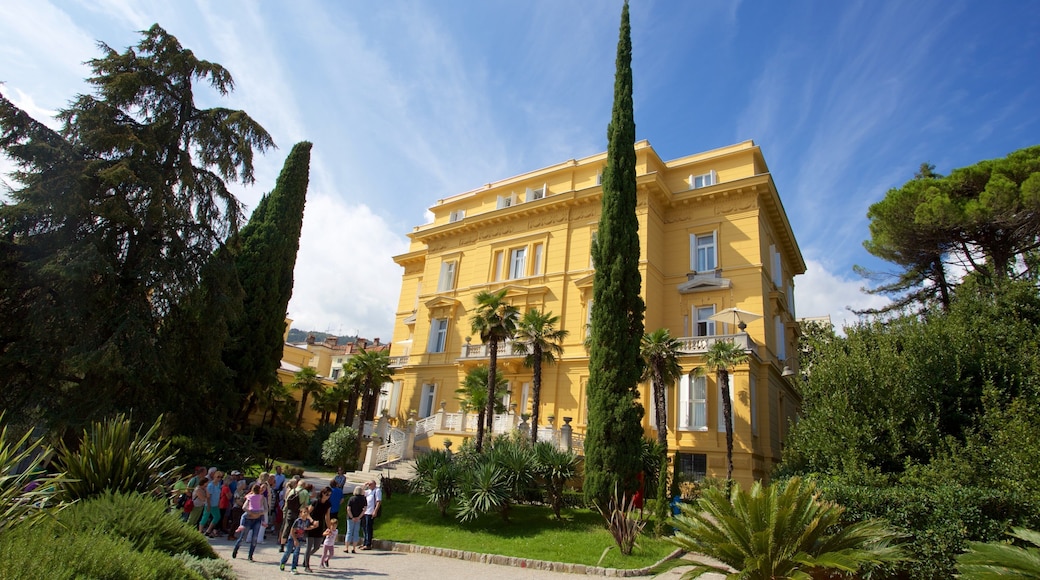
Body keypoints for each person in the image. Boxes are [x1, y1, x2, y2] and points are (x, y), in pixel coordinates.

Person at [280, 504, 316, 575]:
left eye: (307, 512)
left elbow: (306, 528)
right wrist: (295, 540)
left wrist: (313, 527)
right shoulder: (297, 521)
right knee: (288, 552)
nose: (306, 514)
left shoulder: (307, 521)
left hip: (299, 539)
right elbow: (292, 531)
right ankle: (283, 562)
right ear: (300, 513)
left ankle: (293, 567)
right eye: (304, 512)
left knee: (296, 553)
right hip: (292, 538)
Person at [232, 484, 266, 561]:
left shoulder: (251, 497)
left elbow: (244, 507)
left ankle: (248, 554)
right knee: (252, 538)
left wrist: (250, 512)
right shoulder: (261, 497)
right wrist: (258, 513)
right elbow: (262, 508)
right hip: (256, 517)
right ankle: (247, 554)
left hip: (252, 517)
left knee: (245, 537)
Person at [304, 486, 333, 572]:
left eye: (329, 495)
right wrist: (312, 521)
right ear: (322, 493)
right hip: (312, 524)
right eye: (326, 494)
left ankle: (306, 558)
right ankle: (307, 565)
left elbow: (327, 517)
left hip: (320, 525)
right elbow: (307, 513)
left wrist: (329, 528)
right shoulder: (315, 502)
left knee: (317, 546)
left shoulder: (328, 504)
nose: (327, 496)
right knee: (309, 546)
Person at [279, 479, 301, 552]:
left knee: (286, 527)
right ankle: (289, 546)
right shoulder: (293, 491)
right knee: (291, 528)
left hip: (288, 510)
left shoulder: (289, 490)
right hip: (292, 510)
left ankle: (282, 545)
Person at [200, 471, 223, 537]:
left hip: (215, 504)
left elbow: (218, 495)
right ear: (214, 477)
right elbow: (208, 496)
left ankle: (208, 530)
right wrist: (209, 505)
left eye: (221, 477)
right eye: (218, 477)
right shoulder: (210, 485)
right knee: (205, 517)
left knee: (217, 517)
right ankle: (200, 530)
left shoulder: (218, 484)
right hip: (210, 504)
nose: (219, 478)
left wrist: (218, 503)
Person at [360, 479, 382, 550]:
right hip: (365, 511)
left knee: (368, 528)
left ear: (374, 484)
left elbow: (378, 501)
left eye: (370, 484)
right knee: (364, 527)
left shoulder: (377, 490)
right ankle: (365, 542)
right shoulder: (368, 491)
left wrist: (375, 511)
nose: (369, 486)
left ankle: (368, 544)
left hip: (370, 511)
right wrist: (364, 485)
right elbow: (361, 492)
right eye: (368, 485)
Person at [344, 485, 366, 554]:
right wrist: (359, 517)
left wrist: (352, 517)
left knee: (349, 532)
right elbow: (364, 509)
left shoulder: (351, 498)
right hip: (358, 518)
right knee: (356, 532)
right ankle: (354, 548)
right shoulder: (363, 499)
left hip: (350, 518)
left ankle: (346, 548)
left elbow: (348, 509)